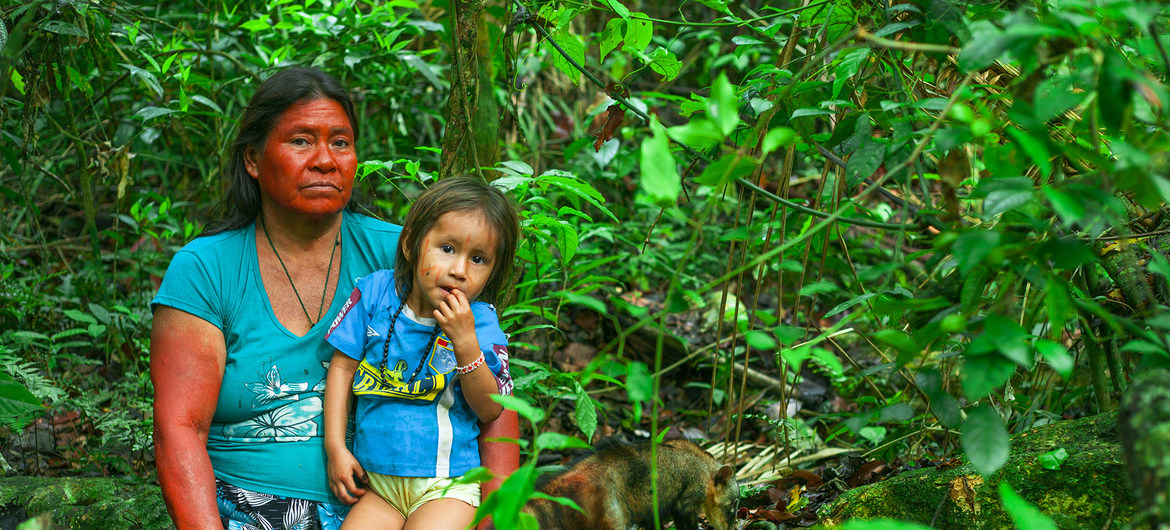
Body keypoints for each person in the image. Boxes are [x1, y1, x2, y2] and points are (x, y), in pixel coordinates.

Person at [150, 67, 518, 530]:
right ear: (253, 159)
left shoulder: (414, 258)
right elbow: (178, 430)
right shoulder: (207, 269)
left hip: (403, 502)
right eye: (302, 141)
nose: (326, 159)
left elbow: (495, 402)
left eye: (341, 143)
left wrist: (496, 517)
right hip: (248, 511)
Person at [323, 176, 519, 529]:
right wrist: (336, 448)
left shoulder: (481, 323)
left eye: (478, 259)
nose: (459, 270)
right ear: (412, 243)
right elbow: (341, 369)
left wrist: (465, 343)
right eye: (447, 249)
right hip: (378, 487)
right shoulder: (373, 295)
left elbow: (491, 409)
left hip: (447, 485)